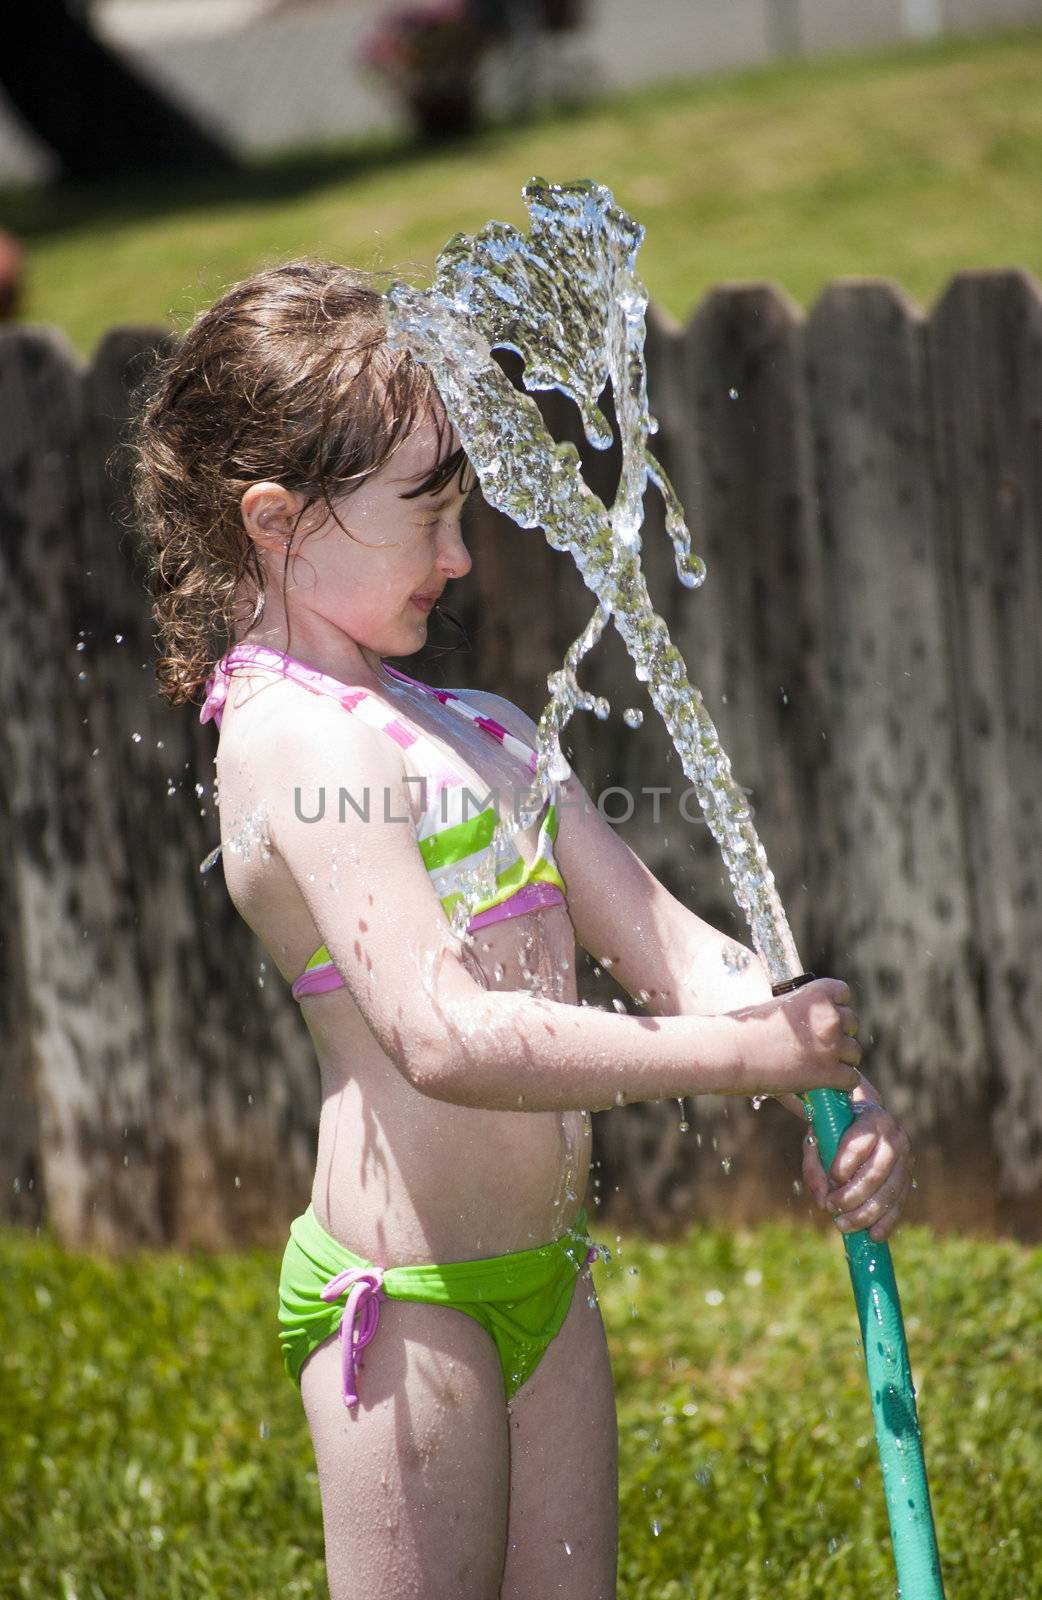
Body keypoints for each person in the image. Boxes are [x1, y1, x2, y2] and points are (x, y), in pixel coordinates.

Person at [131, 258, 912, 1600]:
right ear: (279, 521)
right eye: (425, 513)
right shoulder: (280, 738)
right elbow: (440, 1035)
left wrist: (828, 1078)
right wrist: (747, 1063)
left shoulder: (484, 730)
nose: (459, 554)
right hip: (407, 1304)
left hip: (545, 1280)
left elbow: (680, 951)